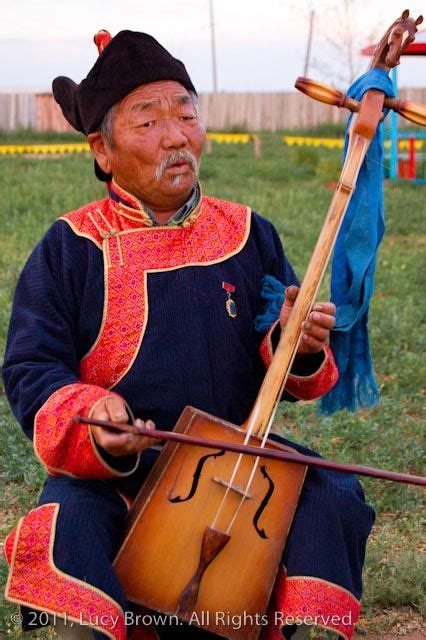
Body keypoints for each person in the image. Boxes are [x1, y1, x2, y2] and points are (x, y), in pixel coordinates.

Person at [2, 30, 374, 640]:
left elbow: (280, 363)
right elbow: (31, 367)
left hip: (234, 459)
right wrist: (95, 415)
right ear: (102, 149)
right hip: (122, 470)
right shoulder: (69, 248)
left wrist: (295, 344)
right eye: (147, 122)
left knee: (328, 496)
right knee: (70, 524)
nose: (176, 136)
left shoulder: (249, 233)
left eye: (187, 113)